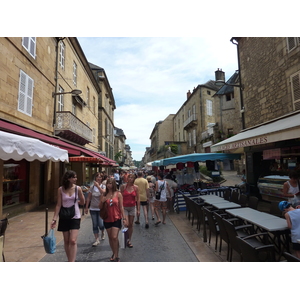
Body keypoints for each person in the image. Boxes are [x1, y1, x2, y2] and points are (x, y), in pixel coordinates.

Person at [51, 170, 85, 262]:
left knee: (73, 240)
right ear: (68, 178)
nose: (76, 179)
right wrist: (54, 219)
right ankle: (70, 259)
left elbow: (82, 201)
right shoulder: (60, 189)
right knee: (66, 240)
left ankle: (72, 261)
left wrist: (76, 202)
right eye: (74, 177)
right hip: (64, 216)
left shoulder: (78, 189)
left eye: (76, 177)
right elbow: (58, 205)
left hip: (75, 215)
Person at [99, 177, 127, 262]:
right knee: (110, 238)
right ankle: (114, 253)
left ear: (114, 184)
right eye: (108, 183)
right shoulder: (104, 194)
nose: (109, 185)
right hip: (107, 218)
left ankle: (117, 255)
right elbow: (99, 207)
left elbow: (121, 207)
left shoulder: (118, 194)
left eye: (111, 183)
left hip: (116, 217)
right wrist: (102, 201)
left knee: (114, 237)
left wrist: (124, 218)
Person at [84, 172, 106, 246]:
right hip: (93, 208)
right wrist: (86, 207)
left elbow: (103, 192)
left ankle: (103, 231)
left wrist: (98, 186)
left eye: (100, 177)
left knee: (101, 224)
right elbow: (89, 198)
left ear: (102, 178)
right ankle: (97, 239)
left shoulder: (103, 186)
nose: (99, 178)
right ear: (95, 178)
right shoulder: (92, 187)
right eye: (97, 177)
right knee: (95, 224)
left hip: (101, 209)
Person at [120, 173, 140, 248]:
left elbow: (138, 199)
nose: (131, 179)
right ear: (127, 179)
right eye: (129, 177)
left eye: (132, 177)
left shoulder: (136, 188)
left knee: (131, 224)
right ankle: (125, 237)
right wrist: (120, 207)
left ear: (134, 179)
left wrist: (138, 209)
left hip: (132, 207)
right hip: (124, 207)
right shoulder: (123, 187)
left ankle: (129, 240)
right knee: (126, 224)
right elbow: (120, 197)